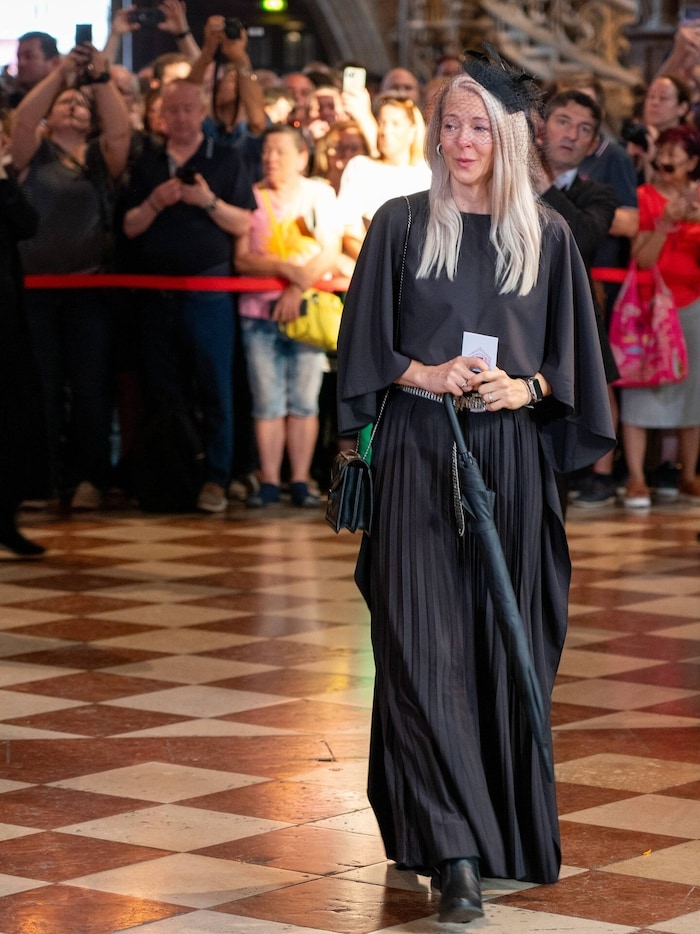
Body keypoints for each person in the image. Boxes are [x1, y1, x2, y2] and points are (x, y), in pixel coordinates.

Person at [336, 60, 615, 923]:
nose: (463, 141)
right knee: (421, 648)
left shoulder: (549, 236)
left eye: (481, 126)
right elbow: (360, 346)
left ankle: (499, 833)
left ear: (511, 136)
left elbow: (576, 365)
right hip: (420, 450)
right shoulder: (401, 223)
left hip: (509, 459)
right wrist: (422, 372)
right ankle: (452, 849)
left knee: (503, 642)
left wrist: (524, 388)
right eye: (451, 124)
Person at [122, 79, 255, 513]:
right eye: (172, 110)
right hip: (156, 294)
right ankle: (173, 475)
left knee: (215, 386)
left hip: (209, 292)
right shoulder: (147, 163)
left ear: (202, 113)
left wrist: (206, 200)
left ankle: (217, 477)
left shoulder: (226, 158)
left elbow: (244, 223)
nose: (180, 118)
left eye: (187, 109)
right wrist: (156, 202)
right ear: (161, 116)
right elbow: (129, 227)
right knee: (164, 388)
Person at [11, 41, 131, 511]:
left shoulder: (101, 156)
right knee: (39, 385)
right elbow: (23, 120)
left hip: (89, 290)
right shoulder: (33, 152)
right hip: (35, 291)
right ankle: (42, 478)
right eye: (65, 103)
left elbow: (120, 130)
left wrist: (98, 80)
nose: (73, 107)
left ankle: (89, 477)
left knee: (89, 385)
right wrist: (60, 75)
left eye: (81, 105)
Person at [234, 123, 341, 509]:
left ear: (301, 157)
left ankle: (299, 479)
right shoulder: (250, 196)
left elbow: (329, 252)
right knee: (267, 401)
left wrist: (295, 289)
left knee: (304, 401)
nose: (270, 158)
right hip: (258, 313)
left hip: (307, 314)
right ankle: (269, 480)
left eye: (279, 151)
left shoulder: (319, 194)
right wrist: (284, 269)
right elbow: (242, 259)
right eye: (266, 151)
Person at [619, 124, 700, 508]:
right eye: (661, 156)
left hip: (692, 305)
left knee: (693, 392)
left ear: (693, 162)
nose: (664, 163)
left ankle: (688, 474)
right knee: (639, 386)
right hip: (648, 307)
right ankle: (637, 477)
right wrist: (665, 224)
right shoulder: (644, 197)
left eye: (674, 158)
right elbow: (643, 259)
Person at [0, 117, 49, 554]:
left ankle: (6, 517)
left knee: (13, 418)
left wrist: (3, 182)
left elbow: (27, 225)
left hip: (7, 317)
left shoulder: (4, 185)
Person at [336, 96, 430, 263]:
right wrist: (376, 265)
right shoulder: (361, 167)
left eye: (395, 124)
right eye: (381, 123)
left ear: (412, 131)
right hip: (370, 262)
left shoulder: (428, 173)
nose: (385, 131)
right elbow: (348, 229)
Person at [2, 31, 59, 109]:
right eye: (18, 57)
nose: (21, 63)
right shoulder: (8, 98)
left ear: (54, 63)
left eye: (29, 56)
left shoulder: (66, 99)